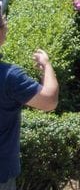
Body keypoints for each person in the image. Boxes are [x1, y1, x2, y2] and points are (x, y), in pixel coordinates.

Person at [0, 11, 58, 190]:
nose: (7, 25)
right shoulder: (9, 76)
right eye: (3, 22)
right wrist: (47, 66)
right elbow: (49, 101)